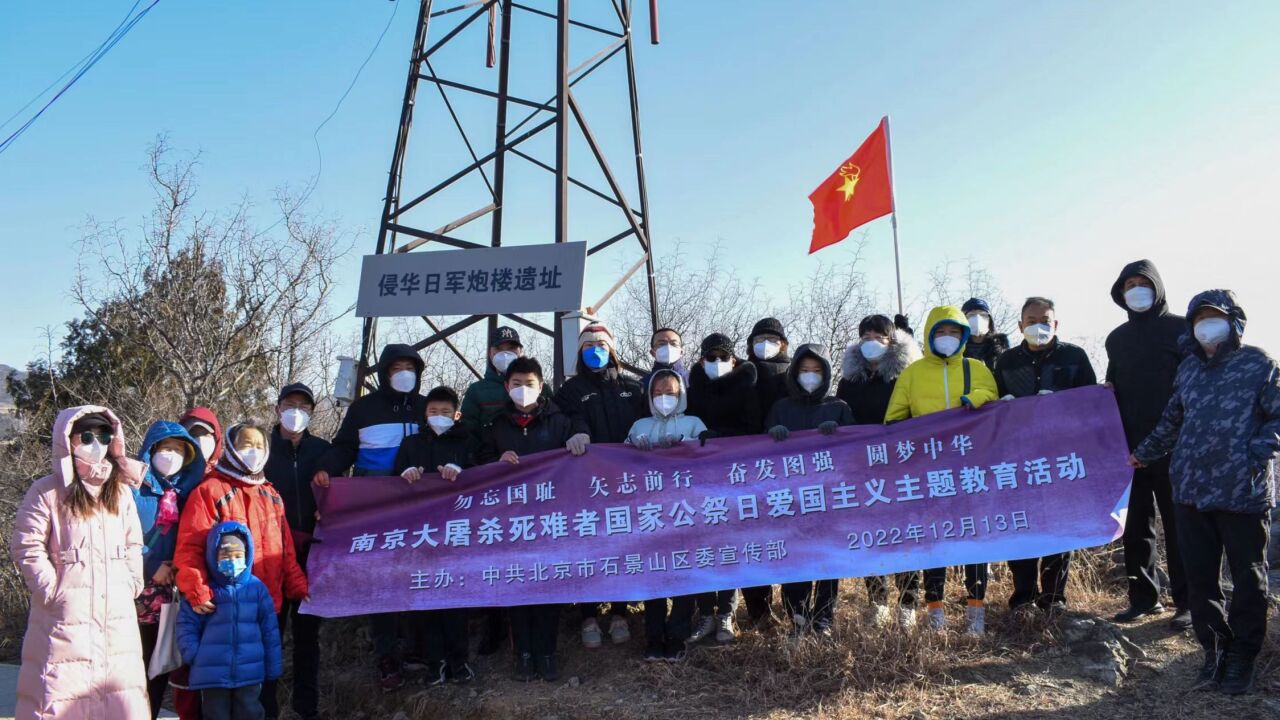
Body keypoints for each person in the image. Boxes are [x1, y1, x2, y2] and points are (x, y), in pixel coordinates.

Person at [1129, 290, 1278, 695]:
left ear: (1234, 322)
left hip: (1242, 492)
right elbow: (1172, 419)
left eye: (1214, 317)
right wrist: (1140, 455)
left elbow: (1277, 417)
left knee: (1248, 579)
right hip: (1191, 489)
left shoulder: (1259, 364)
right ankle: (1213, 652)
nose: (1206, 325)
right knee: (1200, 580)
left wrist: (1256, 452)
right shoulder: (1189, 370)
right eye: (1198, 319)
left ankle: (1243, 656)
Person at [11, 406, 150, 719]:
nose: (96, 443)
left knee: (117, 696)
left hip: (116, 616)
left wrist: (131, 582)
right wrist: (53, 589)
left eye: (103, 435)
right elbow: (26, 545)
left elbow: (133, 542)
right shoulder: (46, 491)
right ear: (68, 441)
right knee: (59, 694)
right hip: (65, 618)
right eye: (86, 437)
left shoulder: (121, 491)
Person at [175, 421, 309, 711]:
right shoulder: (210, 490)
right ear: (233, 448)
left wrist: (297, 584)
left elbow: (285, 549)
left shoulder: (271, 494)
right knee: (222, 693)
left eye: (259, 446)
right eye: (247, 444)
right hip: (222, 607)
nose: (253, 452)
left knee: (262, 688)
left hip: (266, 605)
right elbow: (191, 547)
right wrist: (197, 590)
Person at [313, 344, 425, 689]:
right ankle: (386, 653)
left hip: (421, 504)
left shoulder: (427, 407)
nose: (404, 373)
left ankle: (417, 647)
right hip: (375, 505)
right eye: (397, 367)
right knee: (382, 576)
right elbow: (345, 447)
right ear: (384, 372)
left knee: (419, 571)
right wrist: (326, 469)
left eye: (411, 367)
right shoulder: (364, 409)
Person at [886, 306, 999, 635]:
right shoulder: (913, 373)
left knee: (974, 539)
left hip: (970, 469)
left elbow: (993, 398)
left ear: (963, 335)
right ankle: (935, 614)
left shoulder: (975, 367)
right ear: (929, 335)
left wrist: (974, 397)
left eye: (953, 332)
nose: (947, 338)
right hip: (928, 473)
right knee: (935, 540)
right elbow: (894, 418)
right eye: (940, 332)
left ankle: (975, 611)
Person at [480, 357, 585, 682]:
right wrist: (495, 461)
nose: (522, 390)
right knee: (518, 587)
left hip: (551, 520)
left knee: (547, 588)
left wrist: (577, 439)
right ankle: (523, 653)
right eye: (515, 384)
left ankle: (547, 652)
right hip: (511, 522)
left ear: (541, 387)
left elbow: (578, 457)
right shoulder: (496, 425)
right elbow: (478, 462)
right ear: (506, 387)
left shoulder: (558, 421)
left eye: (529, 384)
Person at [993, 298, 1097, 614]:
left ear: (1056, 324)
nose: (1038, 324)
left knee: (1058, 526)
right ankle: (1023, 597)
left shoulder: (1074, 357)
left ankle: (1054, 598)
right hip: (1018, 458)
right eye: (1031, 319)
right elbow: (993, 405)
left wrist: (1061, 404)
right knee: (1021, 524)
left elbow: (1091, 402)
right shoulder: (1006, 361)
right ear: (1021, 325)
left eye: (1045, 319)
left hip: (1060, 456)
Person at [1105, 259, 1190, 626]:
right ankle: (1144, 598)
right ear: (1121, 293)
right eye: (1129, 285)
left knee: (1182, 527)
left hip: (1178, 447)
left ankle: (1189, 602)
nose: (1136, 289)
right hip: (1130, 450)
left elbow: (1194, 386)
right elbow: (1112, 387)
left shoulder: (1182, 329)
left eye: (1143, 282)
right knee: (1136, 527)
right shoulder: (1116, 339)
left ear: (1158, 286)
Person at [552, 322, 646, 648]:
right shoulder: (569, 391)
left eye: (601, 344)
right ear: (579, 351)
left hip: (626, 482)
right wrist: (574, 432)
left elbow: (647, 419)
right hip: (586, 484)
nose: (596, 349)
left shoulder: (633, 388)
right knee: (589, 545)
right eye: (588, 344)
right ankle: (589, 614)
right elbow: (562, 420)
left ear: (613, 348)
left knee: (622, 543)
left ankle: (620, 612)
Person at [838, 314, 924, 629]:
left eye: (879, 336)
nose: (872, 341)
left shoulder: (908, 374)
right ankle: (877, 601)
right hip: (862, 468)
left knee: (905, 535)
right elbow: (843, 415)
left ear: (892, 341)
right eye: (866, 336)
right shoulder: (849, 379)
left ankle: (908, 604)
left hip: (901, 465)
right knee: (870, 534)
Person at [765, 344, 855, 638]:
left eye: (816, 371)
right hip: (789, 500)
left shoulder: (839, 407)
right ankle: (797, 616)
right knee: (796, 560)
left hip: (829, 500)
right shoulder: (780, 407)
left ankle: (824, 619)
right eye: (804, 371)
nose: (810, 376)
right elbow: (758, 453)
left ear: (827, 374)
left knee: (827, 562)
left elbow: (855, 452)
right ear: (794, 373)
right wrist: (772, 435)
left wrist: (840, 431)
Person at [393, 385, 477, 685]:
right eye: (433, 412)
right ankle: (434, 662)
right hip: (422, 533)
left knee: (455, 599)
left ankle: (459, 661)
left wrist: (462, 470)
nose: (438, 417)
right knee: (426, 599)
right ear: (424, 415)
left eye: (444, 412)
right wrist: (407, 474)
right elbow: (395, 477)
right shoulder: (411, 443)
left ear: (456, 414)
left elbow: (483, 473)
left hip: (457, 531)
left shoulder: (468, 440)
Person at [626, 369, 709, 661]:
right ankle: (654, 637)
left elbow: (710, 458)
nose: (664, 397)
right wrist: (632, 447)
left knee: (684, 575)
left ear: (681, 394)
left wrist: (688, 446)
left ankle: (677, 636)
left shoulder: (694, 423)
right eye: (658, 392)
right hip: (650, 516)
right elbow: (618, 467)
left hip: (686, 512)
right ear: (649, 396)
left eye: (670, 392)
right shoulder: (639, 425)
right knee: (655, 575)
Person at [686, 333, 768, 625]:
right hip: (703, 479)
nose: (717, 362)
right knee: (706, 545)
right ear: (701, 359)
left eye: (723, 357)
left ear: (734, 360)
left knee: (744, 544)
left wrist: (720, 439)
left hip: (741, 477)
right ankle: (707, 612)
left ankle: (751, 612)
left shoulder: (748, 385)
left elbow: (754, 427)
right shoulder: (693, 388)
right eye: (711, 357)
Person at [262, 383, 329, 719]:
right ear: (278, 408)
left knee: (307, 637)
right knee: (269, 633)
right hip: (268, 556)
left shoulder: (322, 449)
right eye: (290, 404)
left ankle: (307, 708)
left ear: (312, 413)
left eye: (304, 406)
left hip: (311, 555)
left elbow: (337, 492)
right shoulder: (261, 449)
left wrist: (327, 509)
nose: (296, 411)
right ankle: (265, 708)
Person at [134, 420, 206, 719]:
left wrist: (174, 565)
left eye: (179, 450)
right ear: (151, 451)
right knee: (130, 665)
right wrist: (149, 566)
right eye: (166, 448)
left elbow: (194, 538)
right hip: (131, 590)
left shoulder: (188, 494)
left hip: (169, 595)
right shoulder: (130, 490)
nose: (171, 455)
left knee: (157, 663)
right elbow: (117, 536)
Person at [177, 522, 283, 720]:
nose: (232, 561)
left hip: (250, 671)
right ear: (213, 556)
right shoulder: (204, 590)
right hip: (211, 673)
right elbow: (186, 625)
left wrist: (273, 665)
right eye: (225, 556)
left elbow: (270, 631)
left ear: (247, 555)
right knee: (215, 714)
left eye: (237, 556)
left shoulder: (257, 589)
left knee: (250, 713)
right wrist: (194, 654)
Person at [175, 405, 226, 718]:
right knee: (182, 670)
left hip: (220, 592)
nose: (199, 440)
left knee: (217, 673)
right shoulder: (168, 477)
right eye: (192, 433)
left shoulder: (227, 479)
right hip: (179, 590)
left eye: (206, 434)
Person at [459, 326, 551, 438]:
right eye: (499, 349)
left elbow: (555, 423)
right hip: (492, 453)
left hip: (535, 452)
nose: (505, 354)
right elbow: (468, 431)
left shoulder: (541, 388)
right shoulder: (476, 391)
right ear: (490, 353)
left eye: (511, 348)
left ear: (521, 352)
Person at [746, 317, 791, 420]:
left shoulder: (792, 371)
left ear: (782, 344)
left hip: (781, 431)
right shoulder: (741, 371)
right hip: (747, 432)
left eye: (772, 338)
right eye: (760, 338)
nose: (765, 343)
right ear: (752, 343)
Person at [961, 298, 1009, 370]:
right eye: (972, 315)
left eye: (983, 315)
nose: (977, 318)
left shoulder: (1000, 348)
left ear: (990, 320)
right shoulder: (957, 347)